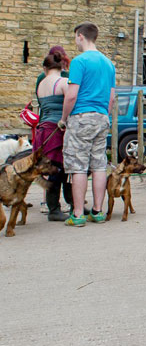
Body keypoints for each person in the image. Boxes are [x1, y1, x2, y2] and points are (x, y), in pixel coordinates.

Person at [59, 22, 115, 227]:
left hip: (81, 116)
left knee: (78, 166)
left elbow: (71, 95)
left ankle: (78, 213)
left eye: (75, 37)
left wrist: (64, 118)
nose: (75, 41)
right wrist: (104, 116)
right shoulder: (109, 64)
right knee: (99, 163)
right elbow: (111, 97)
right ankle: (98, 211)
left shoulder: (79, 61)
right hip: (101, 116)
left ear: (81, 36)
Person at [33, 51, 71, 221]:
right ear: (62, 66)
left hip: (43, 130)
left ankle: (54, 206)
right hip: (58, 129)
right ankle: (57, 208)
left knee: (52, 169)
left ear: (45, 68)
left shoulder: (41, 84)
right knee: (63, 169)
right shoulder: (63, 82)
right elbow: (71, 102)